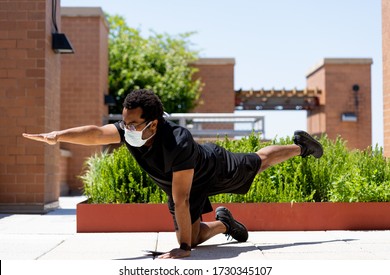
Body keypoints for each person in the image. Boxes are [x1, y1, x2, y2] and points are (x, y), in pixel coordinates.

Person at [23, 89, 323, 259]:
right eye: (123, 122)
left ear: (152, 123)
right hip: (183, 185)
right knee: (192, 237)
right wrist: (57, 135)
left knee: (258, 162)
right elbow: (95, 133)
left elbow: (181, 198)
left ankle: (301, 147)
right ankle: (223, 223)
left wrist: (181, 250)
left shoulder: (177, 142)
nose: (125, 129)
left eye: (132, 123)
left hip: (212, 168)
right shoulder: (130, 132)